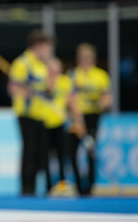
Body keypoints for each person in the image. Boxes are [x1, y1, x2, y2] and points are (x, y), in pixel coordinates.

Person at [7, 29, 54, 195]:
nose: (49, 52)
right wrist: (29, 92)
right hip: (26, 114)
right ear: (39, 46)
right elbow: (13, 87)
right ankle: (26, 189)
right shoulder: (23, 63)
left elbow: (48, 91)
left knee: (41, 152)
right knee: (29, 150)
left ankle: (36, 187)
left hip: (41, 115)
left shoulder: (43, 65)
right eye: (47, 48)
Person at [67, 43, 112, 196]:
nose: (85, 60)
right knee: (72, 151)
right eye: (82, 57)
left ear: (93, 59)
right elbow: (69, 98)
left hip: (93, 117)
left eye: (88, 57)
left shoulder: (101, 76)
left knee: (90, 149)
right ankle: (78, 184)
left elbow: (107, 98)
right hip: (76, 118)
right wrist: (77, 119)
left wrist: (101, 103)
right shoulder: (72, 75)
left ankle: (90, 185)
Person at [43, 57, 85, 194]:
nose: (54, 73)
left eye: (57, 70)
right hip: (43, 124)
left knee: (62, 156)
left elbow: (73, 103)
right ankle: (48, 187)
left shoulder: (65, 82)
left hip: (60, 124)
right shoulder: (42, 81)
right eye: (51, 70)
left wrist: (79, 120)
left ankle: (62, 185)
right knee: (45, 158)